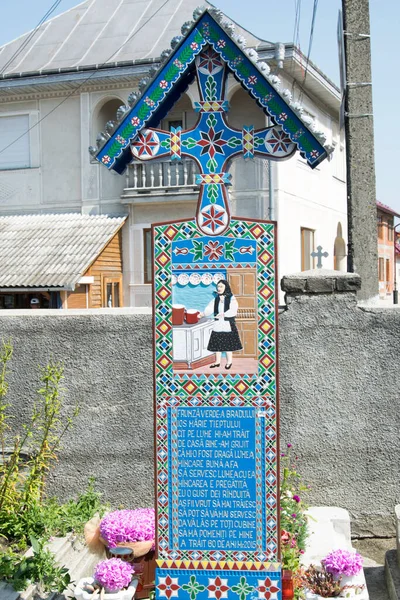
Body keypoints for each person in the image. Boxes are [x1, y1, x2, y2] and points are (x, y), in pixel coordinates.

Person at [199, 279, 242, 370]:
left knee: (228, 345)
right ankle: (217, 362)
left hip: (227, 323)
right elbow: (210, 308)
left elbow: (233, 309)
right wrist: (203, 314)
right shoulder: (216, 298)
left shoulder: (231, 298)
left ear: (226, 287)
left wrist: (224, 314)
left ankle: (229, 361)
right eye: (218, 286)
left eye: (221, 286)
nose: (219, 288)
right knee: (217, 344)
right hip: (218, 323)